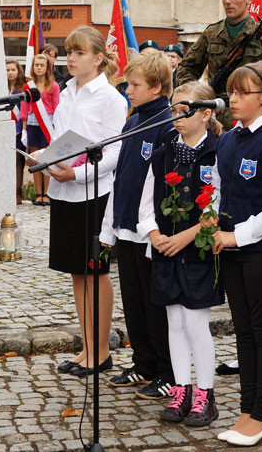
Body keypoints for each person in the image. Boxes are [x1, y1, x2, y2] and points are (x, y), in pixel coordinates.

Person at [30, 26, 127, 377]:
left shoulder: (111, 99)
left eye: (79, 53)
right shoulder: (66, 93)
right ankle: (86, 347)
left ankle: (101, 352)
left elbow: (117, 153)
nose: (70, 58)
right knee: (76, 272)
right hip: (63, 192)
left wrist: (78, 175)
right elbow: (61, 140)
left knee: (95, 271)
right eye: (69, 52)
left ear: (99, 59)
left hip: (93, 193)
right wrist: (41, 157)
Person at [211, 61, 262, 446]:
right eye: (232, 91)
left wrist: (237, 235)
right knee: (242, 331)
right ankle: (247, 408)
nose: (234, 98)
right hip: (229, 248)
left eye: (243, 92)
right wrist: (212, 220)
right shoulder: (228, 139)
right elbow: (216, 188)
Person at [138, 81, 223, 427]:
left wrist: (186, 237)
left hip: (198, 250)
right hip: (165, 250)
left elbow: (219, 207)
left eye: (183, 110)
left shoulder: (217, 152)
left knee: (195, 322)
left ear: (206, 114)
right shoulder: (163, 154)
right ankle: (181, 388)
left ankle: (205, 393)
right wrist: (154, 234)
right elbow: (145, 202)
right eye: (172, 110)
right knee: (173, 321)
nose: (175, 116)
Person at [99, 50, 175, 400]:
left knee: (153, 304)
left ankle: (166, 370)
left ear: (157, 87)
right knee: (133, 302)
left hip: (149, 231)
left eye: (135, 84)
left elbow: (161, 183)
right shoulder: (133, 120)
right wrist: (110, 225)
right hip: (125, 224)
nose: (127, 89)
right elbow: (121, 176)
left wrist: (151, 233)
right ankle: (143, 362)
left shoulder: (166, 123)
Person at [175, 0, 262, 131]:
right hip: (213, 118)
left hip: (249, 120)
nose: (228, 1)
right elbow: (186, 68)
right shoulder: (211, 33)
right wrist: (196, 96)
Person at [20, 53, 60, 206]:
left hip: (48, 125)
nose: (39, 68)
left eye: (42, 65)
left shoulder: (54, 86)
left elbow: (57, 107)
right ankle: (39, 194)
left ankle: (47, 194)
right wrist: (23, 131)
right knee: (35, 160)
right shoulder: (28, 86)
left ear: (47, 67)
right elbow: (24, 108)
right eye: (36, 65)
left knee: (48, 159)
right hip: (32, 125)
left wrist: (56, 128)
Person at [7, 59, 27, 205]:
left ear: (18, 71)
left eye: (13, 70)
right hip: (4, 128)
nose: (10, 73)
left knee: (17, 162)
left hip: (18, 129)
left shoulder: (22, 89)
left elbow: (24, 110)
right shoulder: (1, 86)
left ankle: (17, 191)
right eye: (7, 70)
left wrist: (19, 129)